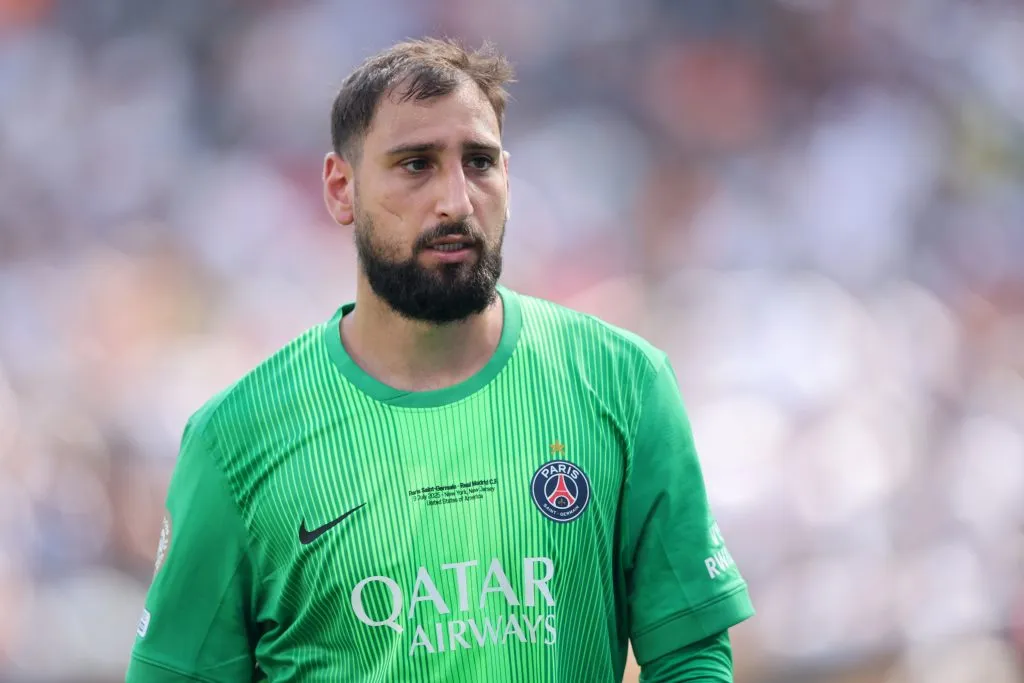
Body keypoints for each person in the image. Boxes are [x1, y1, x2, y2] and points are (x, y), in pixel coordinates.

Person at [125, 37, 754, 683]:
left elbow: (690, 654)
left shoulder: (623, 382)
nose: (456, 200)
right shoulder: (236, 440)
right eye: (416, 164)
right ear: (341, 188)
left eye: (478, 162)